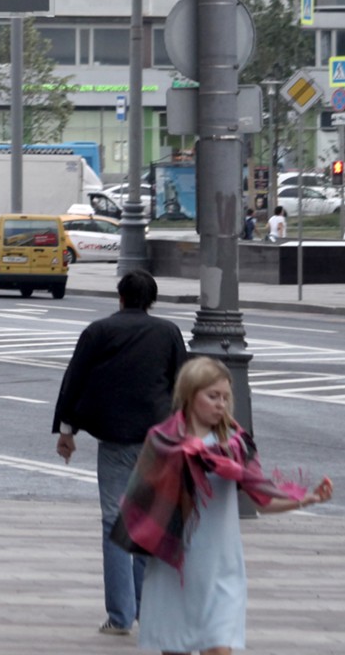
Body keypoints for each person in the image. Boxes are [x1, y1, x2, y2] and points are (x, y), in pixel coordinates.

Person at [119, 357, 332, 654]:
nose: (221, 404)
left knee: (220, 647)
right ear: (190, 395)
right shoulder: (162, 442)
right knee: (175, 648)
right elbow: (139, 504)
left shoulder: (236, 444)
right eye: (213, 396)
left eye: (225, 397)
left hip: (222, 564)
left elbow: (263, 498)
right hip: (175, 565)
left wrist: (305, 498)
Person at [51, 270, 188, 637]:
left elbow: (74, 380)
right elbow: (184, 383)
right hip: (158, 441)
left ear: (121, 298)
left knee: (115, 522)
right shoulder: (168, 333)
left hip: (114, 440)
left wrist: (67, 432)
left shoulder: (99, 331)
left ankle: (119, 616)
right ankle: (148, 609)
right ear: (152, 301)